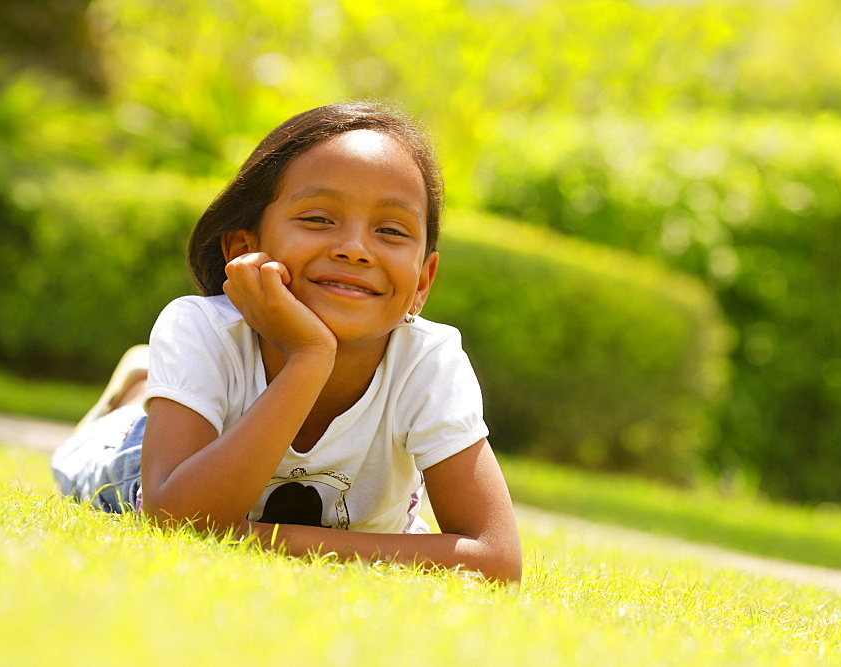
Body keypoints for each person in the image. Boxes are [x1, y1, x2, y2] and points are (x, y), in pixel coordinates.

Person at [51, 102, 522, 583]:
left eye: (390, 230)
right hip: (138, 463)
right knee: (90, 459)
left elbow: (496, 558)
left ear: (424, 281)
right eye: (319, 219)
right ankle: (139, 391)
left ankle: (153, 383)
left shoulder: (428, 361)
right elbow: (177, 521)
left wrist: (261, 539)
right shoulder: (200, 328)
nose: (355, 248)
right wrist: (310, 359)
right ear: (243, 250)